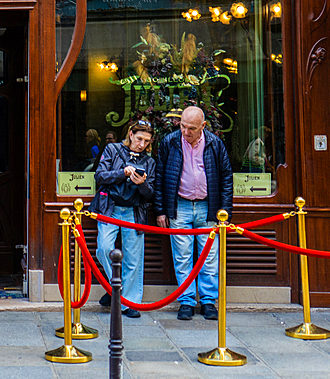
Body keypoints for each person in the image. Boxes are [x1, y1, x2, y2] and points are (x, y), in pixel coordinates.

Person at [155, 106, 233, 321]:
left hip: (208, 207)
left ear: (203, 126)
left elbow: (226, 177)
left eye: (191, 128)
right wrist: (161, 210)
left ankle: (208, 301)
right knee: (182, 256)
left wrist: (224, 212)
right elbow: (160, 177)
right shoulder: (170, 142)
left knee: (209, 257)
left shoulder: (215, 143)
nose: (186, 132)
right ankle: (186, 301)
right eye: (182, 126)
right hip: (179, 206)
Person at [91, 119, 156, 318]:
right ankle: (116, 290)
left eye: (146, 141)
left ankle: (131, 303)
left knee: (133, 260)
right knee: (103, 249)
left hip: (133, 211)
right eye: (139, 139)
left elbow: (151, 193)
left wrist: (142, 183)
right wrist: (122, 173)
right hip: (109, 208)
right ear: (130, 134)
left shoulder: (149, 162)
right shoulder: (112, 150)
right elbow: (99, 176)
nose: (142, 144)